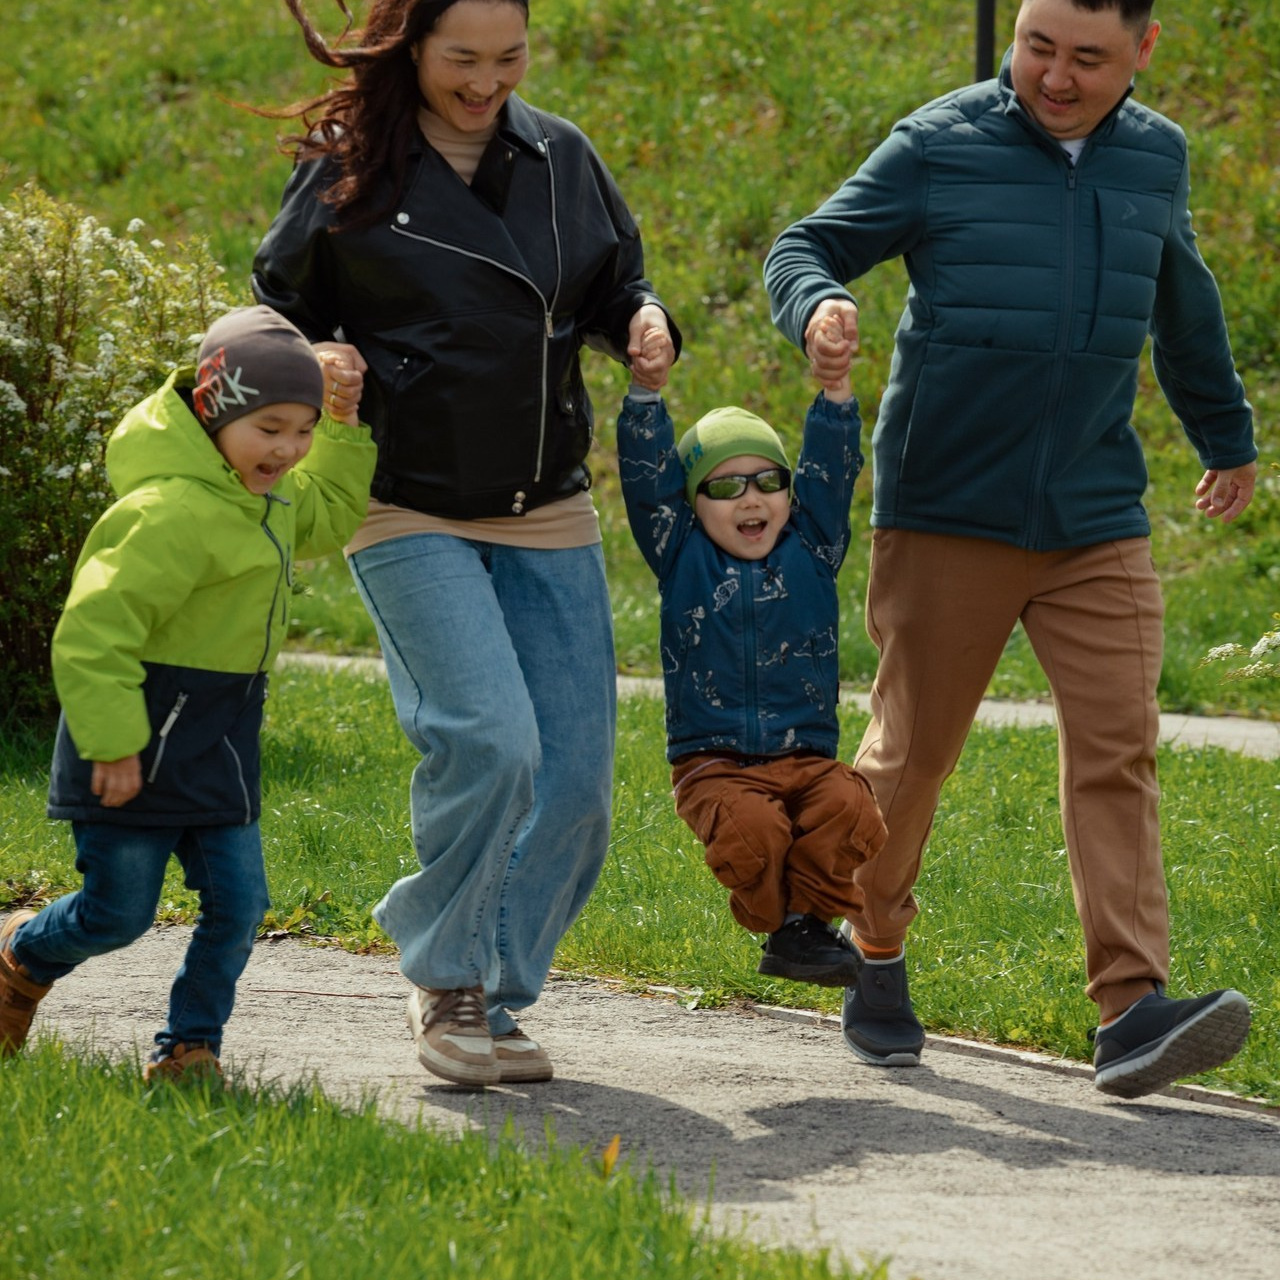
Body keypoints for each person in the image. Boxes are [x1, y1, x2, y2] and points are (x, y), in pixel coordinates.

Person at [764, 0, 1257, 1097]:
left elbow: (1181, 303)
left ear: (1143, 49)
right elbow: (806, 243)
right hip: (947, 505)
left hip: (1094, 510)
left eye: (1087, 56)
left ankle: (1130, 1008)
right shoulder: (941, 142)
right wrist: (818, 303)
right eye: (1037, 46)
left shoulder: (1154, 155)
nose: (1055, 75)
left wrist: (1224, 435)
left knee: (1116, 750)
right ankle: (873, 950)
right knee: (907, 757)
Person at [251, 0, 680, 1088]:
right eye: (462, 61)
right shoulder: (354, 166)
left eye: (509, 58)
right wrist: (320, 356)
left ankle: (497, 985)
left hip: (546, 500)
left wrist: (640, 319)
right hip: (404, 498)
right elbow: (277, 302)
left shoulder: (558, 155)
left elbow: (611, 279)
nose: (487, 82)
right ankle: (446, 976)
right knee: (490, 740)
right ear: (412, 50)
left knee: (577, 781)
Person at [0, 306, 376, 1080]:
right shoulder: (165, 512)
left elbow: (331, 516)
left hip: (221, 737)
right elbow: (94, 632)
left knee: (239, 905)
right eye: (271, 426)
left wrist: (342, 424)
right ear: (215, 408)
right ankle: (19, 956)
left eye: (301, 429)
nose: (289, 449)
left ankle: (188, 1046)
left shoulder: (270, 498)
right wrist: (112, 739)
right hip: (132, 736)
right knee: (117, 914)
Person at [617, 317, 887, 989]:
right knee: (751, 831)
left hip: (806, 756)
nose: (751, 500)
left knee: (853, 808)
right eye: (726, 486)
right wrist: (645, 395)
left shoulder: (814, 545)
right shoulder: (680, 555)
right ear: (692, 505)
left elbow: (833, 468)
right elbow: (647, 480)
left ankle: (805, 931)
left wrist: (835, 388)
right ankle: (777, 924)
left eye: (767, 481)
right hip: (716, 764)